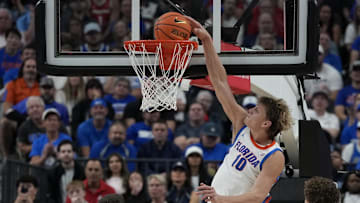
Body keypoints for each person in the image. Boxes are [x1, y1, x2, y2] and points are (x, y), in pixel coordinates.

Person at [185, 16, 293, 202]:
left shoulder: (274, 155)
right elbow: (219, 82)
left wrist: (220, 199)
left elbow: (257, 196)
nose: (250, 110)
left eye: (256, 110)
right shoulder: (242, 123)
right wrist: (207, 41)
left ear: (266, 123)